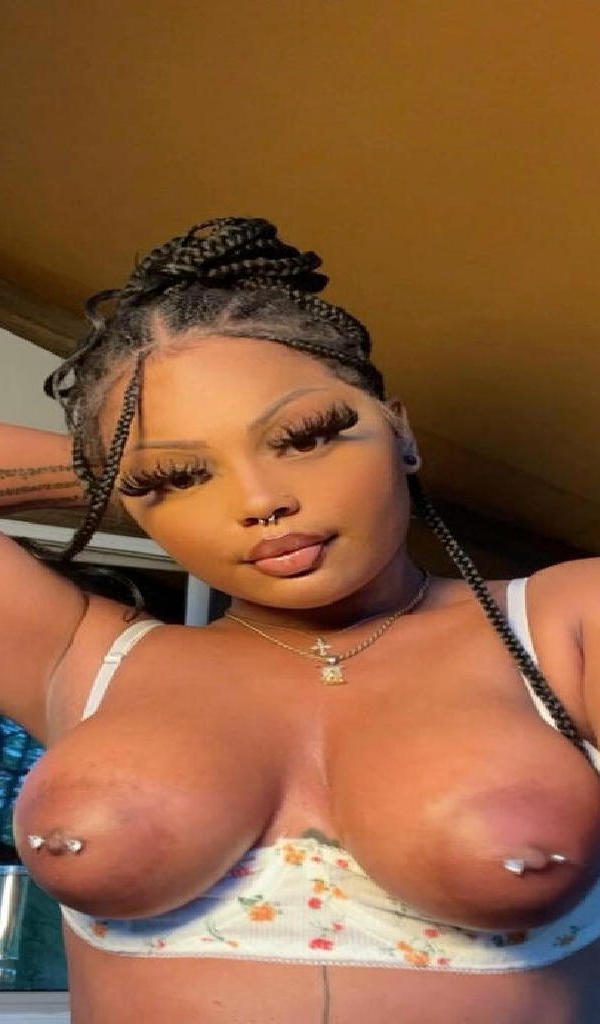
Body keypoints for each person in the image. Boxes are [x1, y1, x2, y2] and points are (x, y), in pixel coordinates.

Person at [2, 216, 600, 1023]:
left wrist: (178, 466)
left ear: (401, 430)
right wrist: (120, 472)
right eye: (176, 478)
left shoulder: (564, 628)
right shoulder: (80, 656)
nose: (259, 501)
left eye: (305, 437)